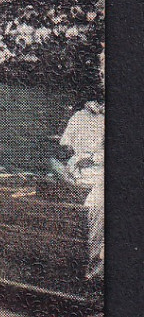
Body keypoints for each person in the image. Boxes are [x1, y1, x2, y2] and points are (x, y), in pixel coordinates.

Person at [57, 99, 104, 278]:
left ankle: (95, 263)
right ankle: (93, 264)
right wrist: (74, 161)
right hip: (81, 173)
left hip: (98, 173)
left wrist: (92, 159)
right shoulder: (79, 117)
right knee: (94, 204)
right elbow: (65, 147)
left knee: (96, 203)